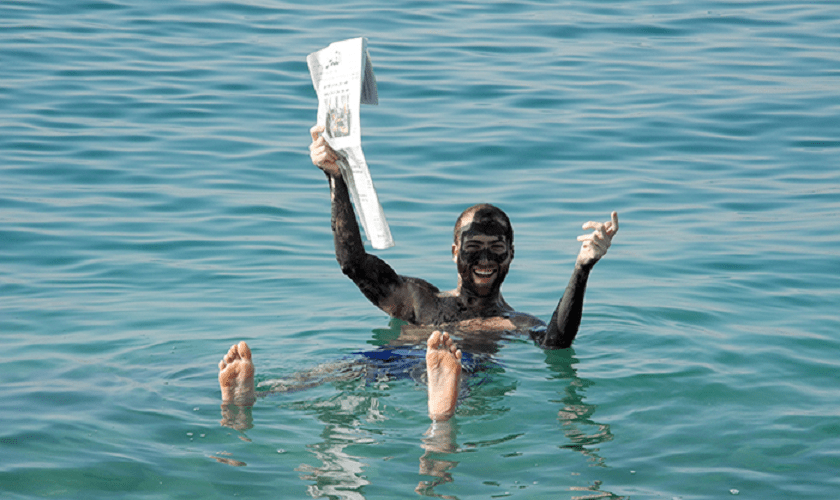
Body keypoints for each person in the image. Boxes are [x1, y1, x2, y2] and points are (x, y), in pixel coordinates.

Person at [216, 125, 618, 423]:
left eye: (497, 249)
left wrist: (582, 266)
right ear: (454, 252)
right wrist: (335, 178)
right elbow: (353, 263)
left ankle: (442, 403)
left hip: (461, 366)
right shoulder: (418, 299)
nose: (485, 260)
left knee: (457, 373)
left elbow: (557, 343)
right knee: (347, 367)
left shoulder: (517, 323)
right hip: (397, 359)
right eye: (474, 248)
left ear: (511, 255)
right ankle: (251, 396)